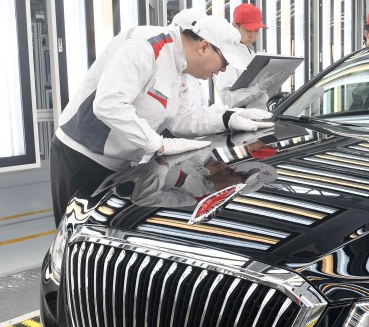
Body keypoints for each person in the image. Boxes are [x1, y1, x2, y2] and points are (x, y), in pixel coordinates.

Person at [50, 15, 272, 225]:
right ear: (204, 47)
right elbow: (109, 104)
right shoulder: (143, 47)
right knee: (77, 231)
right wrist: (158, 143)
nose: (223, 69)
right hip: (81, 158)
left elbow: (180, 119)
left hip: (121, 162)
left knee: (108, 226)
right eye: (224, 62)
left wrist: (228, 119)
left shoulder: (180, 67)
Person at [214, 3, 279, 110]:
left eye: (256, 30)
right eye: (248, 30)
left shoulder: (252, 53)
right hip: (241, 118)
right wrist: (258, 89)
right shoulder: (228, 54)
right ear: (234, 26)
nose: (252, 36)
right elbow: (227, 99)